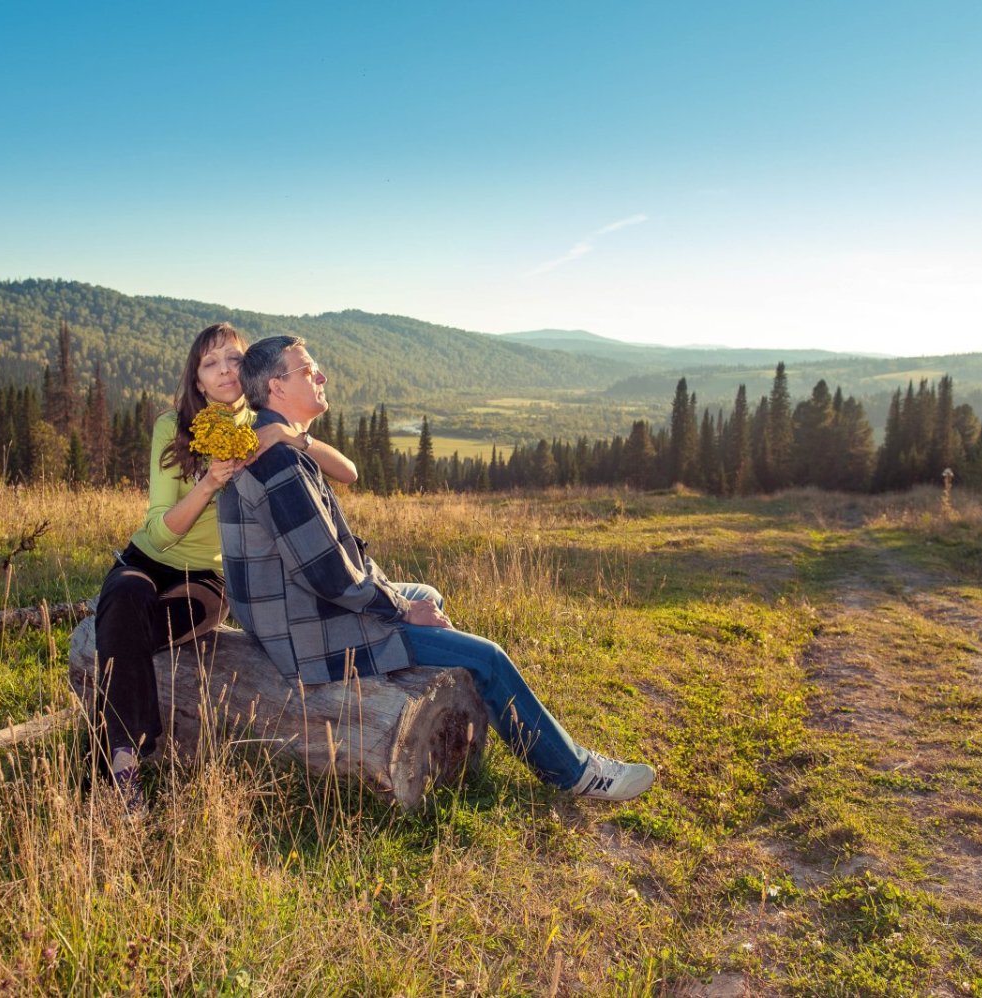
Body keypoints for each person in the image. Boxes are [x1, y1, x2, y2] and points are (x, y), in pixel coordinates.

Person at [217, 335, 657, 801]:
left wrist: (407, 602)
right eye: (308, 370)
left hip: (294, 614)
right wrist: (402, 610)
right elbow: (331, 577)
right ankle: (577, 773)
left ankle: (426, 688)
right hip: (307, 632)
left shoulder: (278, 444)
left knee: (427, 595)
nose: (322, 377)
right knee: (485, 656)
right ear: (276, 387)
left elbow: (330, 549)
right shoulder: (280, 463)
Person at [93, 322, 357, 810]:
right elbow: (158, 529)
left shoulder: (262, 427)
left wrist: (290, 436)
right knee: (125, 598)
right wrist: (209, 483)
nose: (224, 371)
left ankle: (103, 762)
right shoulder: (171, 427)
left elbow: (348, 472)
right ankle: (126, 769)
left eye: (233, 359)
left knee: (119, 633)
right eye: (210, 363)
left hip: (210, 582)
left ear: (248, 367)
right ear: (196, 380)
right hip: (147, 561)